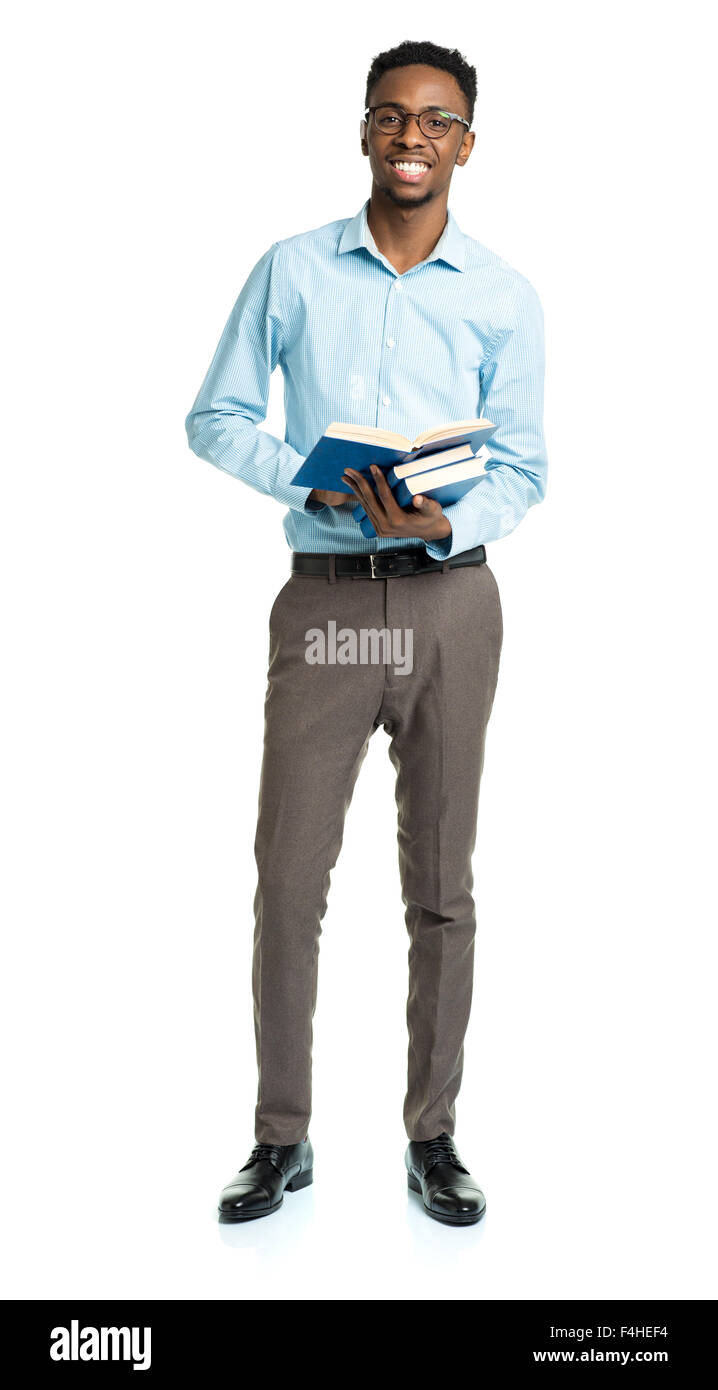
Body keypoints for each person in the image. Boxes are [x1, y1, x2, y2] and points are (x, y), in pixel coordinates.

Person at [185, 38, 548, 1226]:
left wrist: (451, 517)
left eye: (435, 122)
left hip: (451, 605)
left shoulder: (502, 295)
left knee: (441, 885)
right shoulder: (292, 271)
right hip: (330, 606)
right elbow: (216, 415)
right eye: (391, 116)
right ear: (362, 130)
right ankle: (279, 1136)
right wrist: (311, 481)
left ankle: (432, 1136)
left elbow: (525, 466)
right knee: (289, 878)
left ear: (465, 145)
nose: (411, 139)